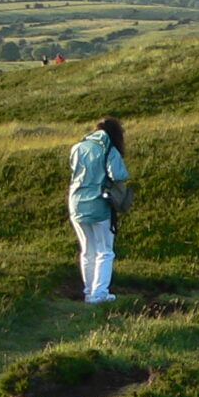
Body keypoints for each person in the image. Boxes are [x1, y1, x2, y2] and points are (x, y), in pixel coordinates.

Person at [68, 117, 129, 304]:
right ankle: (99, 293)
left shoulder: (78, 147)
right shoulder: (108, 149)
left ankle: (89, 292)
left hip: (76, 202)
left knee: (87, 250)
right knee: (105, 251)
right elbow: (119, 175)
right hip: (99, 203)